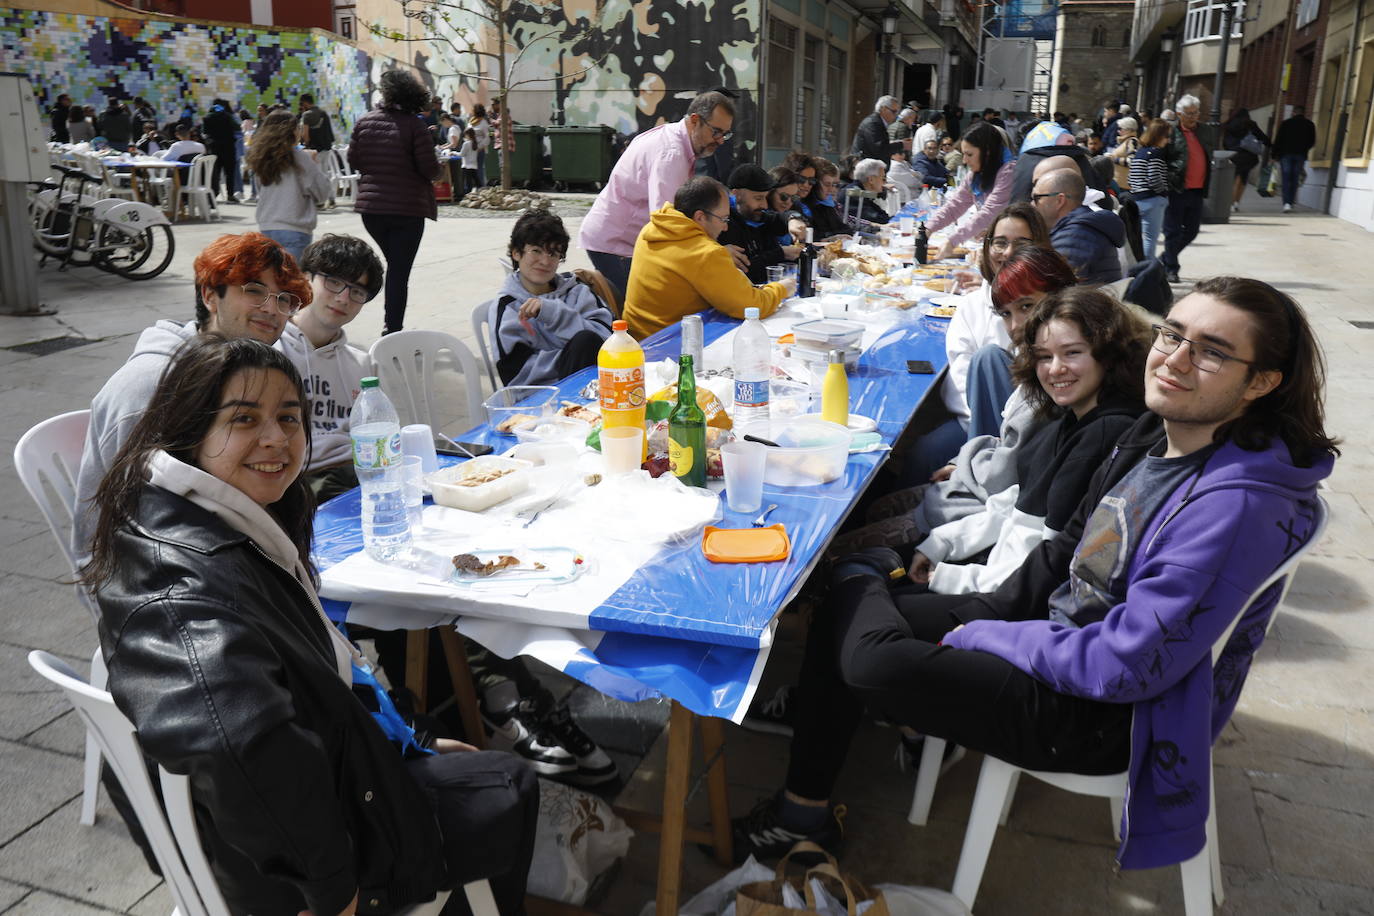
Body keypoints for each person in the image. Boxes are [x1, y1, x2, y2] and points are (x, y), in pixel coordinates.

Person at [735, 276, 1336, 867]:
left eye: (1210, 352)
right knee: (855, 616)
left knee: (870, 652)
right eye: (1173, 335)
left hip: (1097, 712)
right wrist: (990, 609)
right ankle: (802, 814)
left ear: (1262, 381)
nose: (1176, 360)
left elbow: (1123, 665)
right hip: (1060, 631)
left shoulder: (1234, 506)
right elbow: (1069, 546)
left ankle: (859, 582)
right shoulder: (1158, 430)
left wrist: (988, 631)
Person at [82, 334, 538, 916]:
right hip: (290, 873)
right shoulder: (183, 590)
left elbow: (321, 676)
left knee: (452, 743)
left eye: (289, 417)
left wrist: (405, 739)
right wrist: (332, 888)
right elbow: (239, 745)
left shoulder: (200, 516)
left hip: (302, 805)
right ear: (190, 429)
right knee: (511, 783)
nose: (276, 438)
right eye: (244, 418)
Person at [72, 232, 313, 573]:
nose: (272, 309)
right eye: (255, 291)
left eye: (284, 299)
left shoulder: (252, 372)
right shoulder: (151, 383)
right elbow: (125, 522)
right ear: (211, 295)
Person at [903, 287, 1148, 596]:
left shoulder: (1099, 437)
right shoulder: (1068, 416)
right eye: (1044, 357)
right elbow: (1016, 503)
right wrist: (943, 543)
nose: (1055, 368)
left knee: (859, 585)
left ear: (1108, 353)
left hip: (1002, 600)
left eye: (1072, 353)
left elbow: (1046, 561)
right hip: (994, 577)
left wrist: (948, 578)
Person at [578, 91, 735, 303]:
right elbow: (667, 222)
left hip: (622, 239)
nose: (720, 141)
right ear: (695, 120)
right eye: (716, 132)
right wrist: (713, 254)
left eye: (725, 134)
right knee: (640, 311)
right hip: (615, 243)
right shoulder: (672, 154)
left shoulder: (675, 137)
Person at [622, 176, 795, 339]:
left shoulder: (653, 228)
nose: (726, 228)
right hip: (672, 343)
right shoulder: (705, 253)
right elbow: (752, 307)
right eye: (724, 219)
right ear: (700, 217)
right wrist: (782, 289)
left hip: (637, 336)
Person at [282, 234, 386, 501]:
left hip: (356, 476)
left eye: (357, 291)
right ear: (306, 278)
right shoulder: (271, 352)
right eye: (334, 282)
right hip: (293, 482)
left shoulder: (362, 364)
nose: (343, 298)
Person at [349, 69, 441, 334]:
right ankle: (392, 330)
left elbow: (354, 160)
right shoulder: (415, 127)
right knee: (399, 272)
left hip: (372, 211)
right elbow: (430, 169)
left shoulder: (364, 122)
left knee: (395, 268)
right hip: (406, 211)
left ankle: (391, 324)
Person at [483, 210, 614, 386]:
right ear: (516, 253)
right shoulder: (508, 307)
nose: (545, 262)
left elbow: (612, 342)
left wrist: (554, 314)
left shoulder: (578, 291)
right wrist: (569, 356)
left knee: (586, 341)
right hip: (544, 399)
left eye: (553, 254)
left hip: (601, 385)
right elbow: (514, 375)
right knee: (583, 342)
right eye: (536, 251)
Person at [245, 111, 333, 265]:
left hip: (267, 227)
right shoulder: (301, 159)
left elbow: (261, 190)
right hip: (295, 229)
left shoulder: (260, 158)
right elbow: (323, 192)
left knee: (273, 283)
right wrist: (315, 163)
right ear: (292, 131)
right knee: (291, 285)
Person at [925, 122, 1014, 260]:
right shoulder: (975, 175)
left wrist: (953, 241)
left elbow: (989, 212)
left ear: (988, 152)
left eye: (969, 154)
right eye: (963, 154)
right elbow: (954, 206)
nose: (965, 160)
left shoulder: (1008, 172)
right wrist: (927, 229)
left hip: (1012, 250)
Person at [1032, 168, 1125, 284]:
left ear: (1059, 201)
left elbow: (1055, 289)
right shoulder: (1078, 228)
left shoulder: (1074, 237)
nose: (1032, 205)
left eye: (1037, 198)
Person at [718, 164, 799, 284]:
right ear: (736, 194)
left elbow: (779, 218)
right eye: (758, 198)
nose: (765, 205)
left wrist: (793, 219)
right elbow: (746, 269)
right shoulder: (724, 225)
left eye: (766, 198)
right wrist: (781, 253)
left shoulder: (759, 217)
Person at [1161, 94, 1211, 283]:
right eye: (1188, 114)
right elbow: (1162, 157)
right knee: (1172, 231)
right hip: (1176, 188)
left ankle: (1165, 259)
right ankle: (1171, 268)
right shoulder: (1171, 132)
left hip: (1197, 189)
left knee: (1191, 231)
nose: (1193, 117)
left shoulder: (1205, 131)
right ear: (1179, 114)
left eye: (1196, 113)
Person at [1129, 118, 1173, 259]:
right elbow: (1154, 177)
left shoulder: (1140, 153)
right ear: (1158, 135)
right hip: (1153, 199)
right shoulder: (1156, 153)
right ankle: (1147, 270)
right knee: (1150, 239)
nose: (1168, 140)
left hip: (1138, 198)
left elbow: (1130, 178)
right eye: (1167, 136)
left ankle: (1140, 267)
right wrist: (1163, 193)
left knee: (1139, 239)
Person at [1222, 107, 1270, 212]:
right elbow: (1262, 137)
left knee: (1234, 179)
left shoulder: (1229, 124)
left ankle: (1230, 202)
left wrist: (1228, 149)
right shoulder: (1250, 124)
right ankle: (1236, 203)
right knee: (1243, 179)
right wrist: (1270, 145)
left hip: (1233, 154)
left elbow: (1225, 141)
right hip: (1248, 155)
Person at [1272, 105, 1316, 213]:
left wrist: (1274, 155)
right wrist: (1304, 148)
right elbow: (1312, 141)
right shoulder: (1310, 124)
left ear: (1293, 112)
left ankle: (1286, 203)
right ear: (1304, 113)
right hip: (1300, 154)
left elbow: (1278, 140)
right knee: (1295, 178)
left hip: (1285, 154)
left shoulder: (1286, 124)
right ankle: (1291, 202)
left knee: (1286, 178)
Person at [850, 95, 909, 166]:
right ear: (883, 109)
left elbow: (880, 144)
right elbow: (879, 149)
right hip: (866, 170)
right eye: (894, 111)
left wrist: (897, 143)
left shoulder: (878, 122)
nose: (895, 115)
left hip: (872, 169)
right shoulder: (873, 123)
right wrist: (901, 145)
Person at [798, 159, 849, 240]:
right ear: (816, 184)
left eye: (834, 185)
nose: (831, 189)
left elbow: (843, 228)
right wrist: (829, 239)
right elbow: (809, 237)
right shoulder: (803, 206)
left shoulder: (826, 203)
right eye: (827, 184)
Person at [203, 98, 240, 203]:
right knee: (229, 172)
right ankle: (230, 195)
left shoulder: (207, 117)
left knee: (215, 173)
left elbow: (204, 132)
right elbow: (237, 128)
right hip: (228, 147)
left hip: (214, 148)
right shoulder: (228, 116)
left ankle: (213, 195)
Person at [841, 158, 892, 228]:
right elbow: (879, 219)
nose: (885, 183)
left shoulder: (861, 190)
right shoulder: (854, 194)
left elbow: (883, 215)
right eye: (883, 178)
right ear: (871, 179)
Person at [1106, 116, 1139, 189]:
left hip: (1124, 185)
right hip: (1118, 183)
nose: (1118, 131)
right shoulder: (1125, 141)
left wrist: (1114, 159)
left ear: (1129, 130)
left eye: (1121, 129)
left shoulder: (1132, 141)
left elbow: (1131, 161)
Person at [468, 103, 491, 187]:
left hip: (479, 150)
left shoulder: (484, 123)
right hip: (470, 149)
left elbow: (488, 137)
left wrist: (479, 147)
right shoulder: (471, 120)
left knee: (479, 169)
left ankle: (481, 187)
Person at [459, 127, 480, 196]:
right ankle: (480, 192)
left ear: (468, 135)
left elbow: (462, 154)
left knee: (468, 182)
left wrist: (453, 152)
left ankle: (467, 195)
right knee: (476, 181)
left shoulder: (466, 143)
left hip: (466, 165)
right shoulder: (475, 143)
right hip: (474, 165)